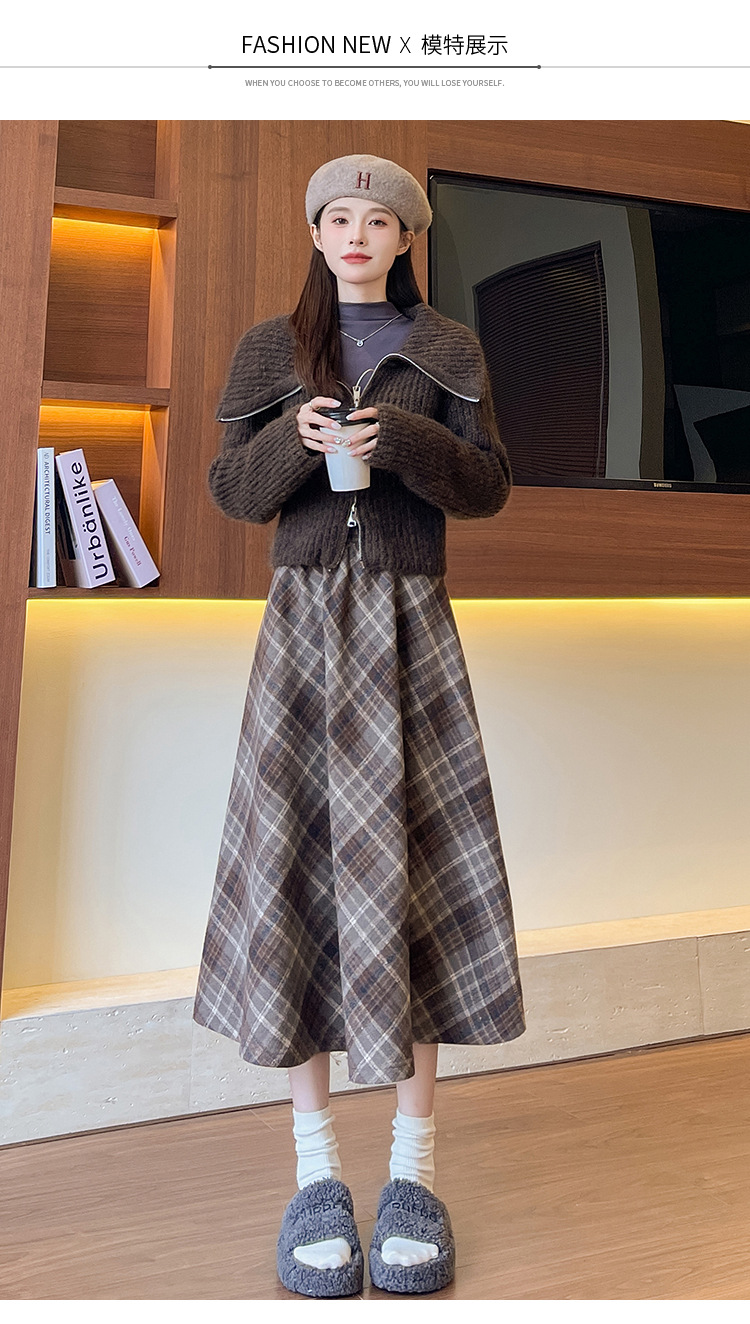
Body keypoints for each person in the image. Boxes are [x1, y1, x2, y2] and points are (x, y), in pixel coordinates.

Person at [192, 153, 526, 1298]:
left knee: (416, 877)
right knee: (296, 872)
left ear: (403, 238)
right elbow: (234, 491)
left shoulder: (448, 349)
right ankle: (315, 1176)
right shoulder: (269, 350)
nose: (355, 233)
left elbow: (487, 487)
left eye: (377, 220)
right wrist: (297, 436)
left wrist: (403, 443)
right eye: (338, 217)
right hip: (300, 629)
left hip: (412, 623)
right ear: (317, 231)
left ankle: (414, 1173)